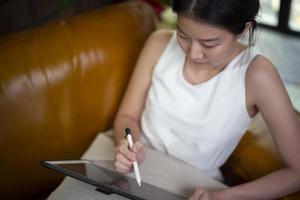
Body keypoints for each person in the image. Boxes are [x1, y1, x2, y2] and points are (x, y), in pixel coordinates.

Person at [113, 0, 300, 199]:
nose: (193, 54)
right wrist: (127, 146)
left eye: (209, 43)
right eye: (183, 35)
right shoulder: (158, 44)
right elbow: (127, 116)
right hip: (130, 173)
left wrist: (223, 196)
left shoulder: (257, 75)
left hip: (192, 188)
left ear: (245, 29)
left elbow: (297, 172)